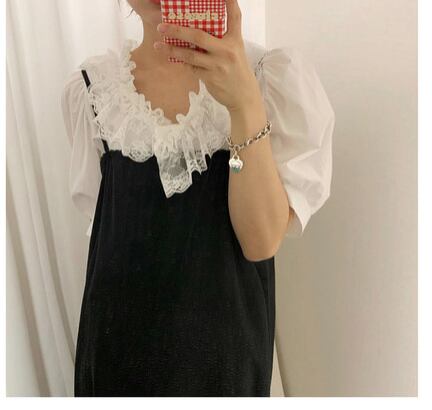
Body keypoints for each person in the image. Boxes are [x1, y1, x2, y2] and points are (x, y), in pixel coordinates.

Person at [60, 0, 335, 397]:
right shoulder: (93, 90)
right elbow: (106, 232)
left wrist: (243, 103)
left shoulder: (268, 78)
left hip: (223, 363)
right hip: (114, 357)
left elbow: (260, 242)